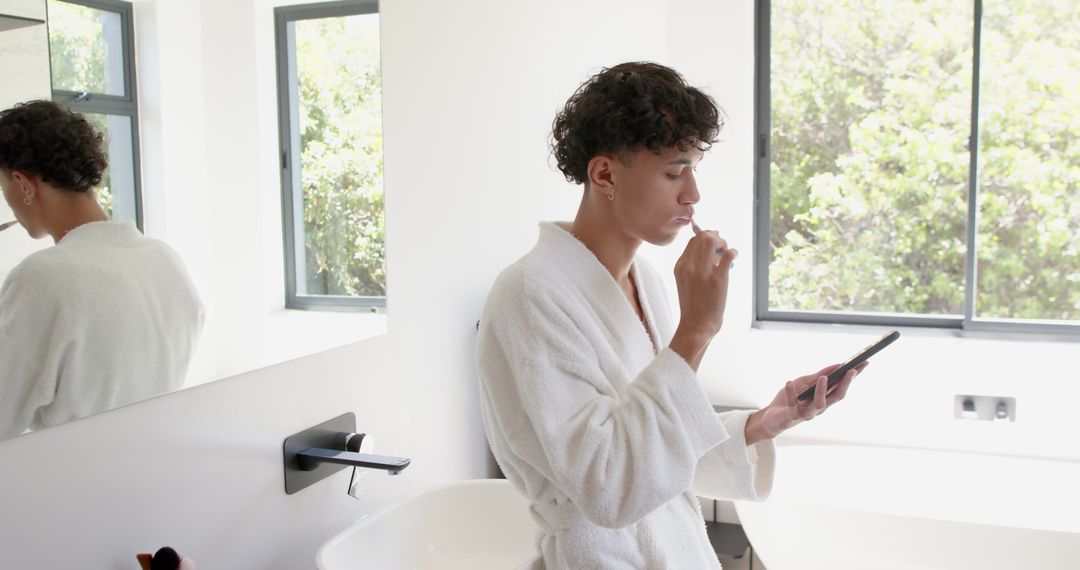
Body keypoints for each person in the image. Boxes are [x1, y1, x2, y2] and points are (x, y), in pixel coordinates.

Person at [475, 62, 866, 568]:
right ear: (605, 173)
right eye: (673, 172)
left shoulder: (650, 282)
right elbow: (608, 484)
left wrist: (767, 421)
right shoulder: (529, 294)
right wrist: (697, 330)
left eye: (694, 170)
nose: (693, 195)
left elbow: (661, 450)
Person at [0, 100, 204, 439]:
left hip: (71, 484)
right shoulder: (167, 261)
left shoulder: (42, 277)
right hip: (155, 474)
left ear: (23, 183)